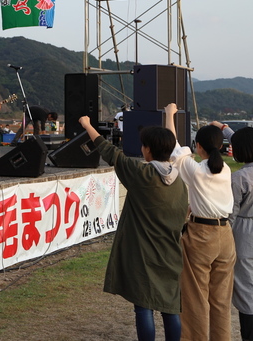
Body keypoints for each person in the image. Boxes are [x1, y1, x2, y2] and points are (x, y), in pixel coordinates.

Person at [78, 115, 187, 341]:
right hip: (170, 252)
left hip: (144, 253)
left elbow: (110, 152)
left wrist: (88, 125)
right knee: (170, 307)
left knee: (144, 306)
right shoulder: (179, 182)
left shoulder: (142, 174)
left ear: (147, 150)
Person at [165, 104, 235, 341]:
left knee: (195, 298)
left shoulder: (195, 171)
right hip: (226, 234)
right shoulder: (225, 169)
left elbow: (172, 144)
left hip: (201, 234)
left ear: (198, 147)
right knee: (221, 300)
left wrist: (169, 115)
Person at [214, 122, 253, 341]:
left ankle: (249, 336)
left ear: (242, 150)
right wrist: (224, 128)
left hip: (244, 231)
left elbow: (230, 213)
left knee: (245, 288)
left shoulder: (240, 177)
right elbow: (241, 140)